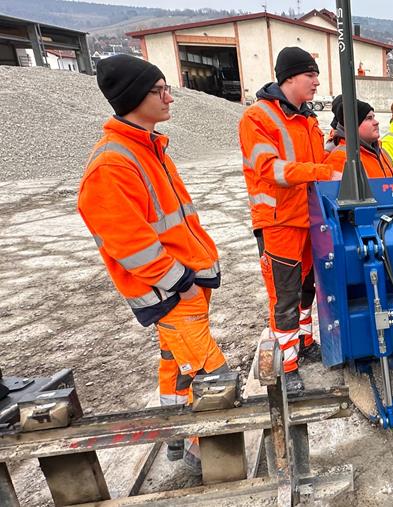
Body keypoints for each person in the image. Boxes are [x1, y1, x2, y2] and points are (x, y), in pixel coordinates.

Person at [78, 54, 227, 473]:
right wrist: (180, 282)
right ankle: (208, 455)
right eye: (159, 90)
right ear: (132, 97)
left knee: (175, 364)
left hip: (183, 287)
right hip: (171, 293)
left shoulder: (148, 148)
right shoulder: (113, 163)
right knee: (212, 375)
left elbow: (174, 221)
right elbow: (128, 242)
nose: (169, 98)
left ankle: (177, 437)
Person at [238, 47, 340, 389]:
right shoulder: (258, 118)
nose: (316, 81)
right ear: (290, 77)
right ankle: (286, 366)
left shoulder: (308, 118)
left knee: (308, 287)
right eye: (310, 75)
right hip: (279, 221)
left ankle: (304, 343)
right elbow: (269, 169)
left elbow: (314, 164)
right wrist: (323, 171)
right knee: (284, 296)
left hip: (308, 218)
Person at [324, 96, 393, 179]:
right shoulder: (340, 157)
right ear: (353, 126)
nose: (376, 122)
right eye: (369, 118)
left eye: (374, 117)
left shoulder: (381, 151)